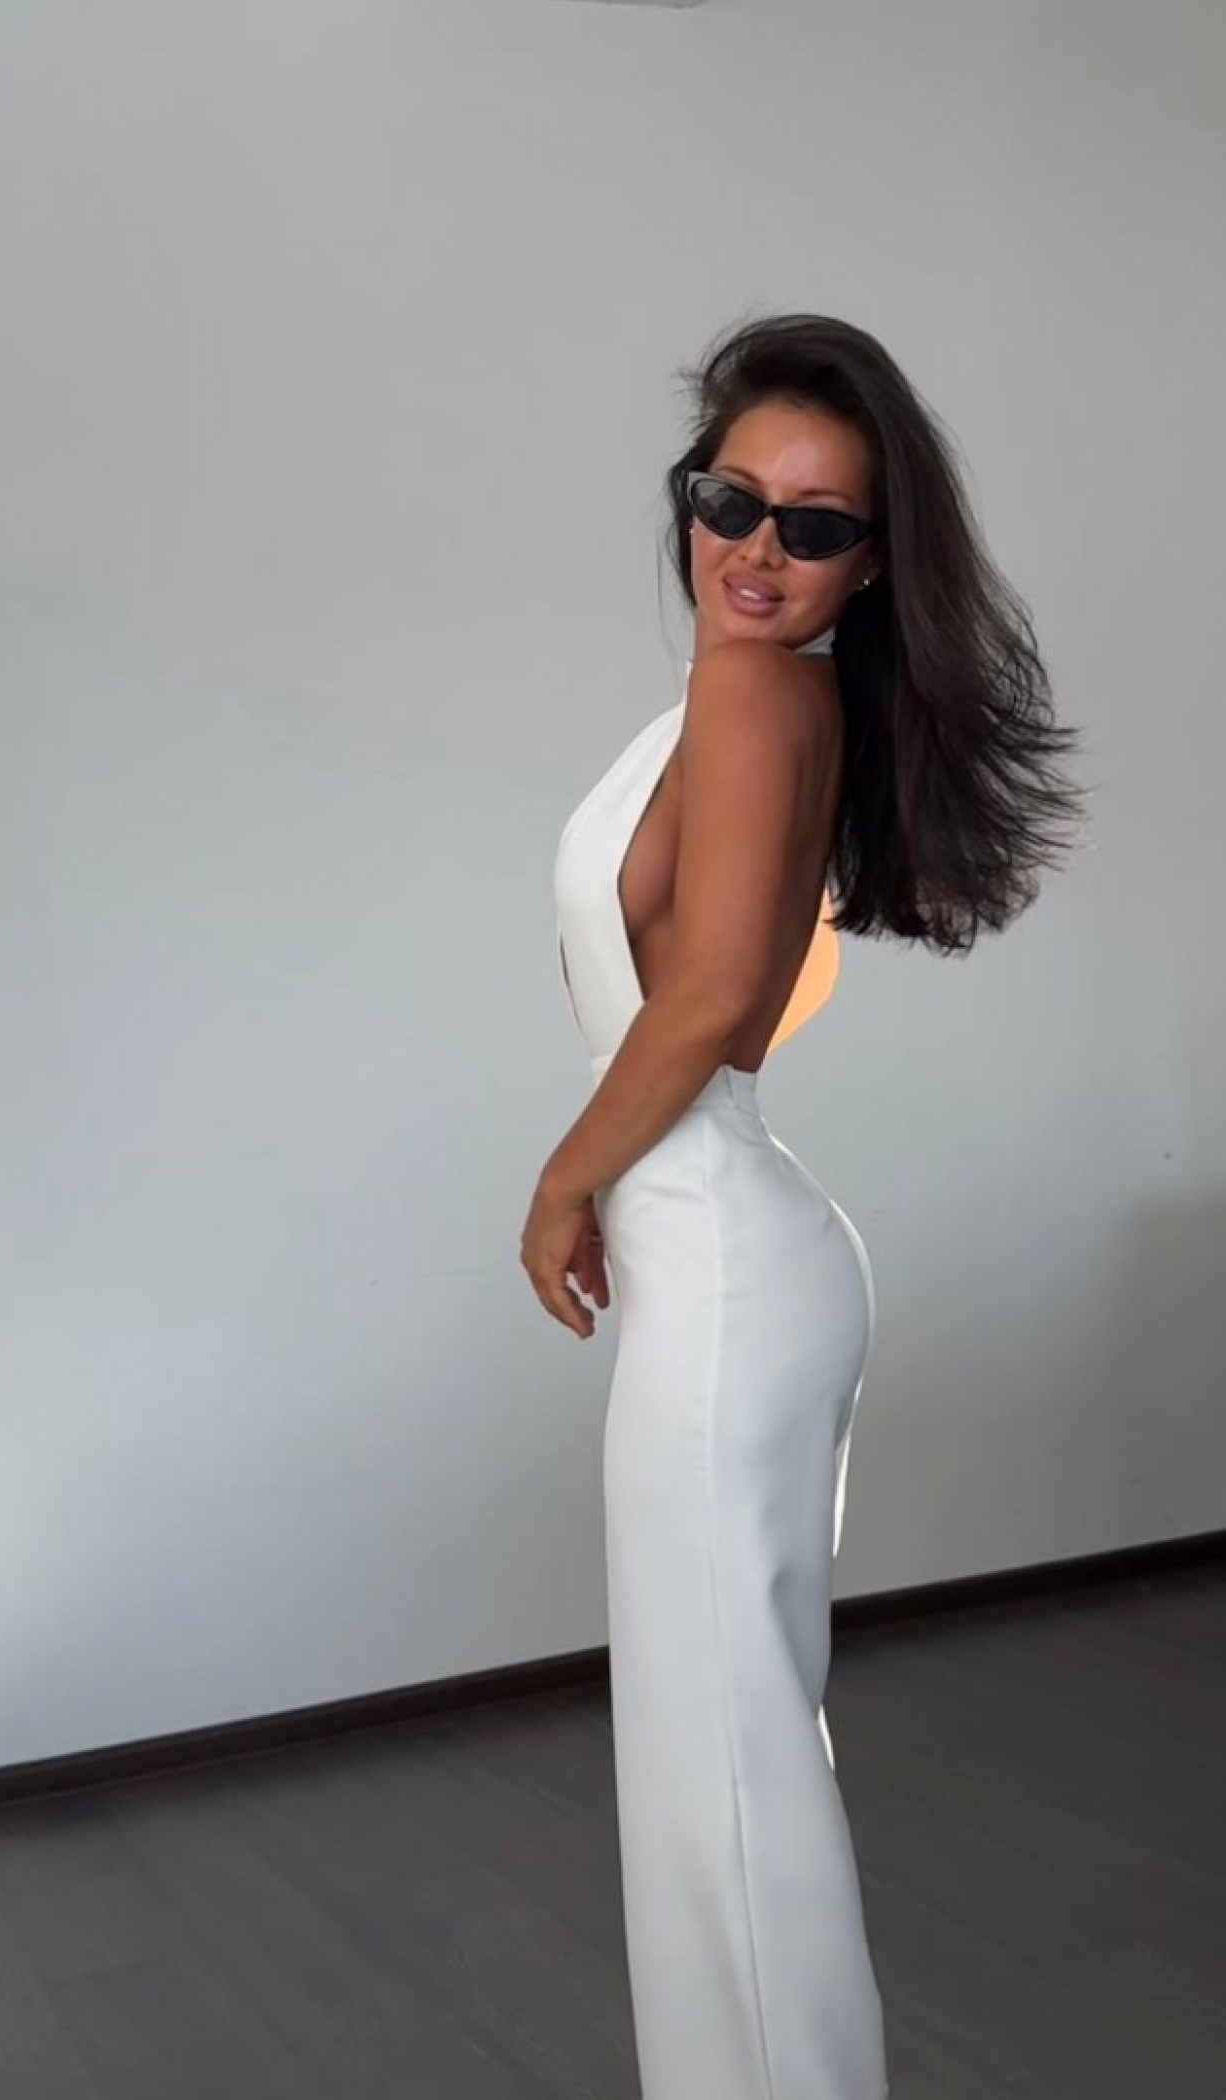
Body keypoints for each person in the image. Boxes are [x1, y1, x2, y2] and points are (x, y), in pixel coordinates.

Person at [520, 312, 1088, 2100]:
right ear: (688, 498)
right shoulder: (760, 699)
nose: (759, 548)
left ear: (872, 560)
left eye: (818, 524)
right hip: (730, 1257)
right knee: (726, 1758)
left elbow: (709, 1003)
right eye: (732, 501)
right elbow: (746, 987)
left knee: (729, 1770)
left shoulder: (756, 694)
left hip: (724, 1278)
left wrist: (563, 1177)